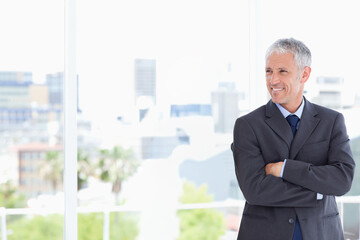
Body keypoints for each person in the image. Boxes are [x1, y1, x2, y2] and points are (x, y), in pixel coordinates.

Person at [231, 38, 355, 240]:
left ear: (304, 74)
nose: (273, 80)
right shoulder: (248, 125)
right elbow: (255, 190)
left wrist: (285, 169)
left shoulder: (331, 121)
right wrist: (318, 193)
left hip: (321, 233)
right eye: (268, 71)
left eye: (282, 71)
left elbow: (342, 181)